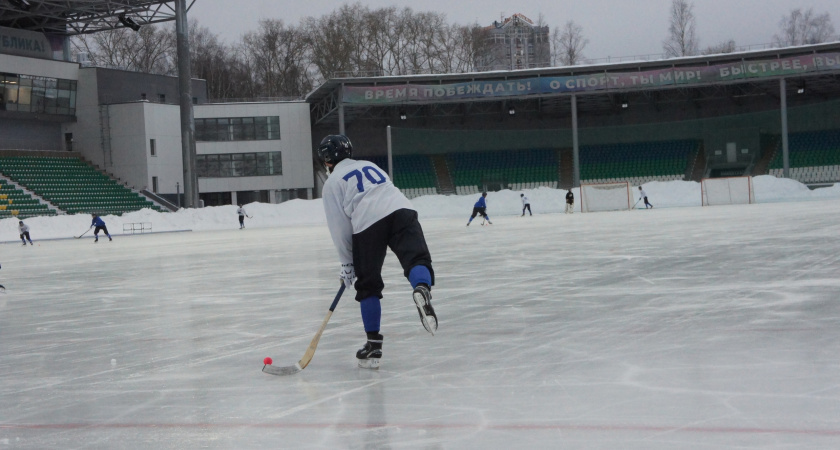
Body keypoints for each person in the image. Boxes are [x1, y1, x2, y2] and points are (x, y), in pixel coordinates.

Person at [317, 134, 437, 370]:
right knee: (416, 259)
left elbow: (340, 228)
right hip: (402, 209)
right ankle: (421, 287)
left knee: (369, 283)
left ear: (328, 160)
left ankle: (373, 345)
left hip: (368, 221)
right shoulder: (369, 165)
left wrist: (347, 264)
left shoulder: (332, 183)